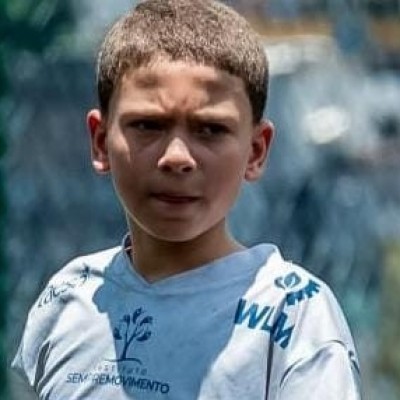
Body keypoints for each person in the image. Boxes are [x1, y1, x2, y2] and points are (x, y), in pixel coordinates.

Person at [12, 0, 362, 399]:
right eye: (148, 125)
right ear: (100, 141)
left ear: (256, 151)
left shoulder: (293, 317)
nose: (177, 157)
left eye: (210, 129)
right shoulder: (67, 299)